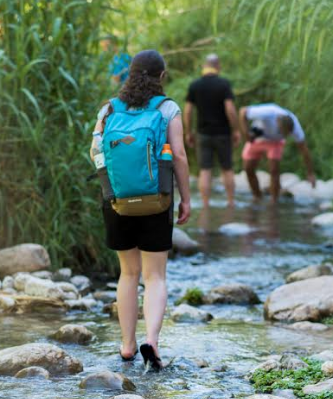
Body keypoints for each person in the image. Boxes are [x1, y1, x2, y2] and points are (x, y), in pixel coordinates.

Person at [91, 50, 191, 371]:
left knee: (128, 273)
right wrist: (185, 198)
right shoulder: (167, 109)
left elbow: (97, 154)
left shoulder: (109, 109)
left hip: (117, 201)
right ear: (161, 77)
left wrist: (112, 193)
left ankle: (126, 345)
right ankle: (152, 340)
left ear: (130, 75)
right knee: (155, 275)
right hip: (157, 199)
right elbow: (179, 156)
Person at [183, 54, 241, 208]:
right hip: (223, 133)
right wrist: (236, 130)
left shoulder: (195, 85)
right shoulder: (224, 84)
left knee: (205, 170)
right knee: (227, 168)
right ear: (218, 66)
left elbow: (187, 111)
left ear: (204, 66)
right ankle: (230, 202)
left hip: (203, 134)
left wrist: (188, 132)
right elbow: (230, 109)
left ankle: (205, 204)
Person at [239, 103, 316, 202]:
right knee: (248, 168)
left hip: (275, 143)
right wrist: (246, 134)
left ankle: (274, 202)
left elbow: (304, 150)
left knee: (274, 169)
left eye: (287, 134)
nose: (285, 135)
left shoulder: (295, 126)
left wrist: (310, 173)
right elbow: (242, 111)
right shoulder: (268, 111)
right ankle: (257, 196)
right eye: (282, 132)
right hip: (257, 138)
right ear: (277, 122)